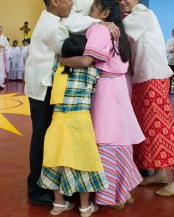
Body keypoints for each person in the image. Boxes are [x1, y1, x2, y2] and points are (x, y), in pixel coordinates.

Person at [25, 0, 118, 205]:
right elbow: (67, 54)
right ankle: (37, 190)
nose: (72, 4)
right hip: (43, 89)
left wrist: (98, 23)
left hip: (47, 86)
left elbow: (76, 19)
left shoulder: (54, 17)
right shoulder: (53, 27)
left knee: (49, 137)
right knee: (42, 138)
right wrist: (93, 48)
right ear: (55, 1)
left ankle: (52, 185)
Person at [60, 0, 145, 209]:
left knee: (105, 140)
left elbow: (86, 61)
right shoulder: (120, 32)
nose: (90, 14)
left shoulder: (99, 30)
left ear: (104, 13)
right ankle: (122, 192)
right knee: (120, 140)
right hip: (119, 86)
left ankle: (110, 196)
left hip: (105, 89)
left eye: (93, 9)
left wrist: (59, 60)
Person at [113, 0, 174, 197]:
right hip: (142, 78)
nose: (122, 2)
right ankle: (160, 173)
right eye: (118, 0)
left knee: (161, 126)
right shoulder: (132, 15)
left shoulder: (142, 12)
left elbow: (121, 30)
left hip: (153, 77)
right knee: (148, 128)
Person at [38, 34, 108, 216]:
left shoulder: (56, 68)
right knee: (84, 161)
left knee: (55, 160)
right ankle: (85, 207)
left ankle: (58, 204)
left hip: (58, 121)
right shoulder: (93, 71)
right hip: (81, 121)